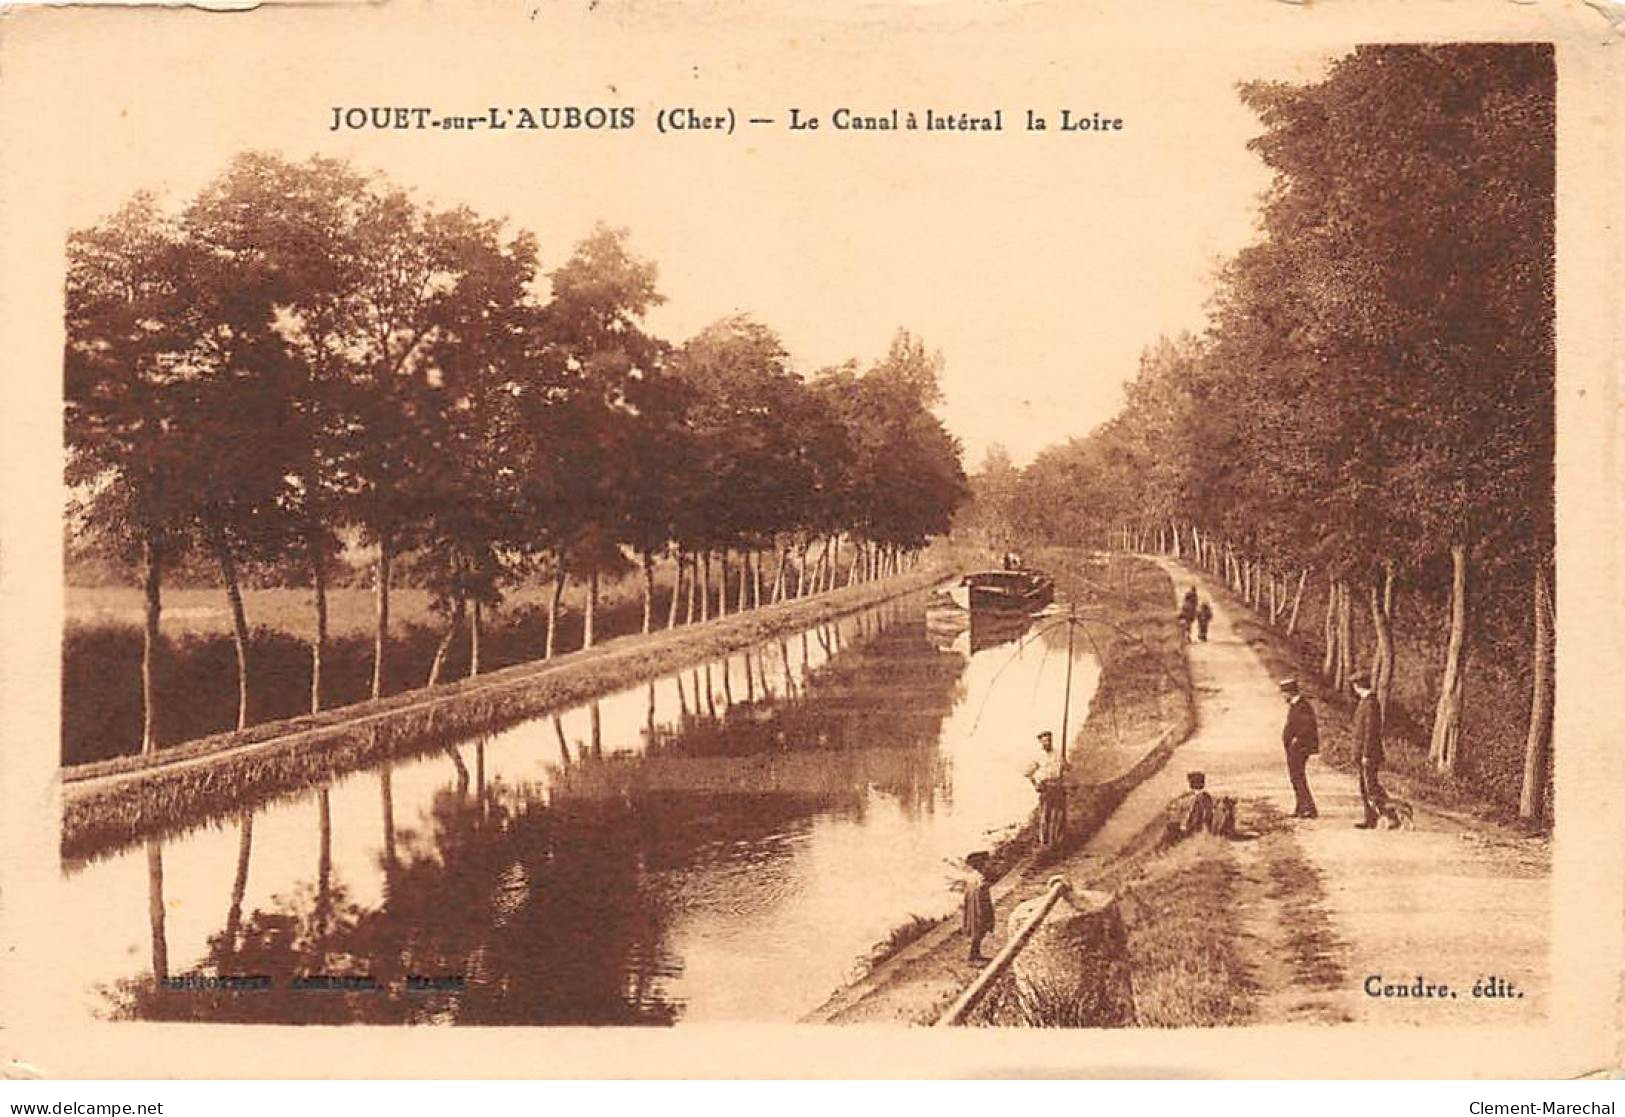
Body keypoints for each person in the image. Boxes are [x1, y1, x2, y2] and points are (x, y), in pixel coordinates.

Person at [1350, 673, 1399, 829]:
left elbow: (1370, 732)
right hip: (1365, 754)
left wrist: (1366, 754)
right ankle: (1371, 818)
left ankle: (1392, 816)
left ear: (1357, 686)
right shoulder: (1366, 702)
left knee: (1371, 787)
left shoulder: (1370, 703)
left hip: (1369, 754)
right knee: (1366, 787)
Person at [1279, 678, 1319, 818]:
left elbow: (1306, 728)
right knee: (1296, 777)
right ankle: (1301, 807)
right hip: (1294, 748)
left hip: (1300, 748)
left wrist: (1296, 741)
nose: (1283, 696)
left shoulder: (1302, 706)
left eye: (1284, 693)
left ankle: (1308, 808)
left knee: (1298, 777)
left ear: (1290, 692)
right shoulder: (1296, 705)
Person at [1025, 730, 1067, 845]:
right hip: (1046, 787)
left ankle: (1058, 840)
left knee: (1060, 815)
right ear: (1040, 742)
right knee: (1045, 816)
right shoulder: (1038, 756)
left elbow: (1066, 767)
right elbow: (1028, 773)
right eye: (1044, 741)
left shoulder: (1058, 753)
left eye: (1049, 740)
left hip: (1058, 786)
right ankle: (1044, 842)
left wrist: (1065, 766)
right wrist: (1036, 785)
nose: (1047, 743)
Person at [961, 850, 996, 963]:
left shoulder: (973, 877)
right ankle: (972, 957)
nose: (989, 864)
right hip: (979, 908)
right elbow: (982, 897)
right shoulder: (980, 879)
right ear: (981, 864)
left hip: (974, 908)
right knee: (979, 931)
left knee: (979, 932)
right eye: (987, 862)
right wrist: (986, 913)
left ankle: (976, 954)